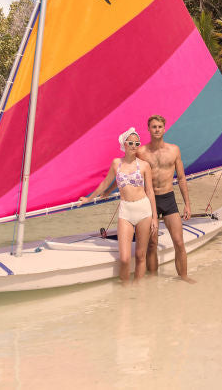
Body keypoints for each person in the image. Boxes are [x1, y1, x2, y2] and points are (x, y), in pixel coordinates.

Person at [79, 127, 157, 283]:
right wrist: (89, 199)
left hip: (144, 210)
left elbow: (150, 191)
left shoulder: (144, 165)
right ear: (124, 144)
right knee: (125, 259)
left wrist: (155, 217)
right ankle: (124, 292)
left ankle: (137, 290)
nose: (134, 145)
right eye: (131, 142)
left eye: (137, 143)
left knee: (141, 255)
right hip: (126, 211)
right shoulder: (116, 163)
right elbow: (106, 183)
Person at [137, 114, 195, 282]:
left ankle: (183, 277)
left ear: (164, 128)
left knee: (178, 242)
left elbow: (182, 178)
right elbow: (132, 175)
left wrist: (187, 205)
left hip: (168, 199)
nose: (157, 129)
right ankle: (153, 279)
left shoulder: (174, 150)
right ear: (148, 129)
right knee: (152, 244)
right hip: (148, 201)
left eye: (159, 126)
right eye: (153, 126)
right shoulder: (141, 152)